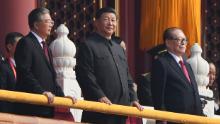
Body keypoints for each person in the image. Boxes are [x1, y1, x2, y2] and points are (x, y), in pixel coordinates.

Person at [75, 7, 143, 124]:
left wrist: (133, 98)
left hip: (121, 110)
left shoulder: (119, 48)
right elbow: (85, 75)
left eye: (113, 20)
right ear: (96, 22)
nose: (110, 23)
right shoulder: (88, 45)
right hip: (99, 108)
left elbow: (127, 77)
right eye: (106, 19)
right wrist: (99, 95)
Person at [14, 7, 76, 118]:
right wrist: (41, 92)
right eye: (48, 21)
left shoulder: (46, 47)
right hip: (32, 106)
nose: (51, 25)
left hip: (47, 105)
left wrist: (63, 97)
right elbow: (25, 73)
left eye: (52, 21)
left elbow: (52, 78)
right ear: (36, 25)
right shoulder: (26, 43)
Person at [151, 27, 203, 123]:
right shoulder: (162, 63)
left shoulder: (187, 65)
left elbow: (193, 91)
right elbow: (158, 94)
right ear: (168, 42)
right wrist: (162, 117)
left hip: (194, 119)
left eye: (185, 40)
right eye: (179, 40)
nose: (183, 43)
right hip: (174, 120)